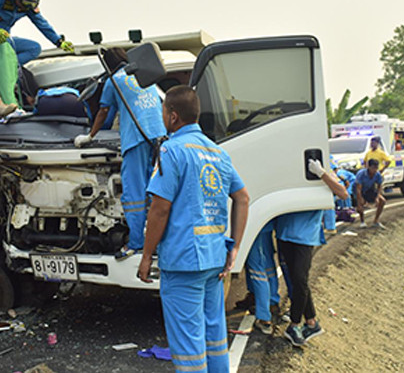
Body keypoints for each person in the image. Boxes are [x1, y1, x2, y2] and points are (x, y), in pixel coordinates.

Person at [138, 86, 249, 373]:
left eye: (164, 113)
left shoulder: (171, 150)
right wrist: (234, 246)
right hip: (214, 259)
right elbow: (242, 198)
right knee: (214, 338)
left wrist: (147, 255)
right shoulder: (218, 153)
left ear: (173, 117)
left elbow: (159, 209)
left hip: (183, 260)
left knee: (188, 350)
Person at [75, 48, 167, 259]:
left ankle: (136, 244)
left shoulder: (114, 81)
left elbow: (104, 111)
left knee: (134, 195)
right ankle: (159, 243)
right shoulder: (143, 75)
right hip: (159, 137)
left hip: (136, 139)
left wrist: (89, 136)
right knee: (154, 192)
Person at [0, 0, 75, 118]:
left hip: (5, 40)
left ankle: (7, 68)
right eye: (24, 4)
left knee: (34, 48)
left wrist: (58, 41)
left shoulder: (28, 4)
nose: (25, 8)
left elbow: (41, 23)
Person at [275, 159, 348, 348]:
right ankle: (312, 322)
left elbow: (342, 193)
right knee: (298, 281)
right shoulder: (289, 170)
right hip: (285, 233)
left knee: (299, 279)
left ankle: (294, 324)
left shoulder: (323, 172)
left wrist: (321, 173)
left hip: (304, 236)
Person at [245, 221, 280, 334]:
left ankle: (264, 317)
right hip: (266, 222)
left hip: (252, 225)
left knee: (256, 269)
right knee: (268, 264)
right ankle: (272, 301)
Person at [354, 159, 387, 228]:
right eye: (373, 168)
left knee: (382, 201)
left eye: (376, 168)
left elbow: (379, 186)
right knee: (360, 204)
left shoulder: (377, 174)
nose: (374, 170)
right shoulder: (361, 174)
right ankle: (362, 221)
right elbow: (358, 190)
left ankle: (376, 220)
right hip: (358, 190)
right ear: (368, 167)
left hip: (369, 189)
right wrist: (360, 201)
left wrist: (377, 197)